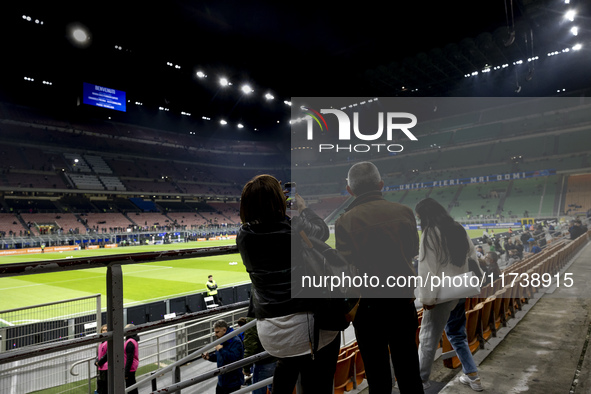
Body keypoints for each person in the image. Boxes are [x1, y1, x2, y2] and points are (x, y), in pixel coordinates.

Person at [236, 174, 340, 393]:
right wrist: (302, 209)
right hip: (309, 330)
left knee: (288, 363)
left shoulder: (243, 237)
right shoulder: (292, 230)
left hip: (271, 334)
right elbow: (321, 231)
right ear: (279, 202)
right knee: (318, 372)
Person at [335, 162, 423, 393]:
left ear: (350, 191)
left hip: (368, 308)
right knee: (409, 372)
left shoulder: (345, 221)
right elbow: (413, 249)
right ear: (381, 185)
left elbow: (345, 269)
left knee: (378, 377)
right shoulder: (405, 212)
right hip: (403, 302)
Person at [414, 197, 484, 392]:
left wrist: (427, 299)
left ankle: (421, 380)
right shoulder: (458, 228)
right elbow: (473, 259)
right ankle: (473, 376)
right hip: (461, 290)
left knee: (428, 338)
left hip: (442, 295)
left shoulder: (430, 233)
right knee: (457, 335)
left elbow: (427, 270)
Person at [202, 319, 245, 394]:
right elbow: (220, 357)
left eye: (217, 332)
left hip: (233, 382)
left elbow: (233, 359)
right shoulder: (222, 340)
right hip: (222, 380)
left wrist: (221, 350)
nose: (215, 334)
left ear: (224, 330)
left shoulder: (235, 341)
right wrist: (210, 357)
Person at [241, 317, 277, 394]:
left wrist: (246, 367)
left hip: (264, 361)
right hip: (279, 356)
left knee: (258, 390)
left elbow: (251, 346)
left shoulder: (252, 319)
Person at [124, 324, 140, 394]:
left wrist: (126, 373)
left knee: (130, 387)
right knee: (132, 386)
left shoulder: (130, 342)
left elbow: (129, 359)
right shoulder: (133, 340)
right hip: (132, 367)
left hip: (130, 368)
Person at [95, 324, 108, 394]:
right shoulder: (101, 344)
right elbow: (98, 355)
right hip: (101, 368)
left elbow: (107, 355)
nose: (105, 331)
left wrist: (99, 363)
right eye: (103, 330)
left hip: (106, 368)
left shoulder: (109, 342)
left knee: (105, 388)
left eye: (106, 330)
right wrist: (96, 361)